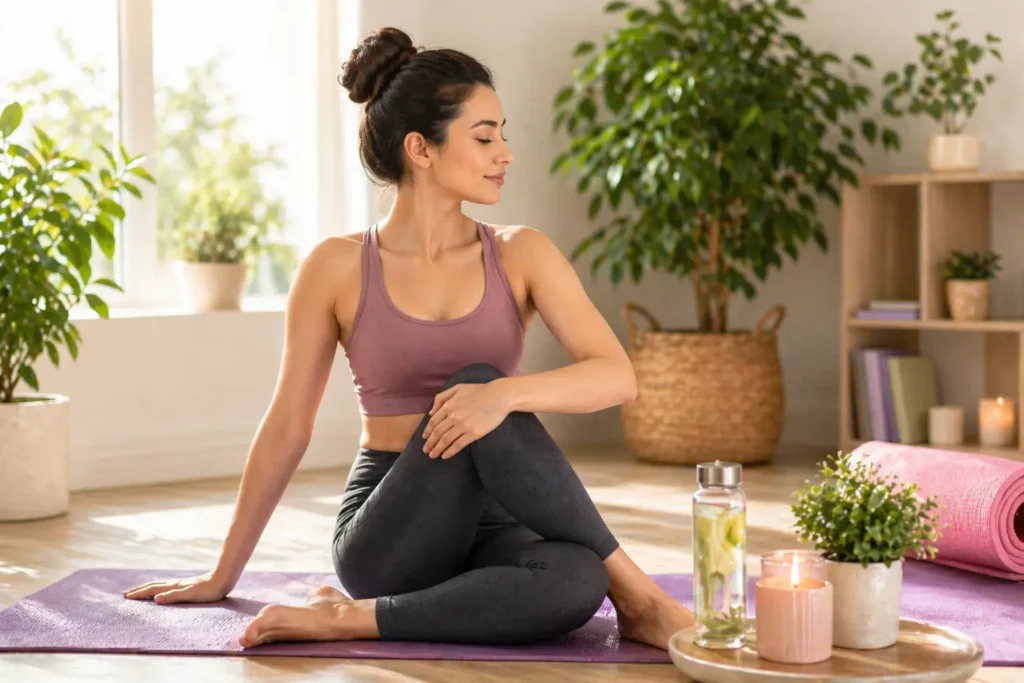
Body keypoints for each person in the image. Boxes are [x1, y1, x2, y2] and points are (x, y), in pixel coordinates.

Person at [123, 26, 694, 651]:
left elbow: (617, 376)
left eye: (504, 134)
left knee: (577, 580)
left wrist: (506, 398)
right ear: (420, 148)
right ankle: (644, 600)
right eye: (483, 137)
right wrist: (221, 574)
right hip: (391, 526)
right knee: (480, 383)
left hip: (497, 519)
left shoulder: (521, 252)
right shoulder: (337, 267)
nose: (504, 153)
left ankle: (351, 618)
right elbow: (288, 424)